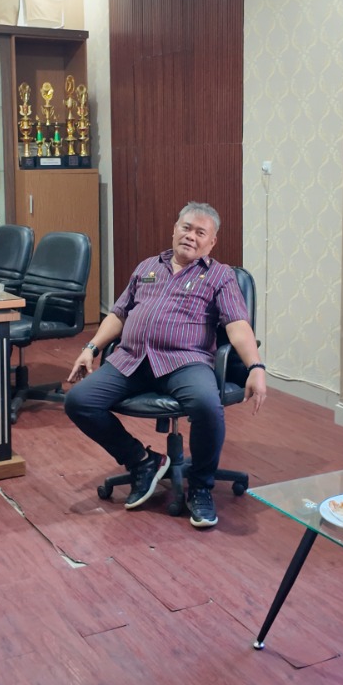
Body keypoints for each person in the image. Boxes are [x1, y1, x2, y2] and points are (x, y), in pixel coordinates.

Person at [64, 202, 266, 529]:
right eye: (186, 228)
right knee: (78, 401)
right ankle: (142, 461)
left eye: (200, 232)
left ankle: (200, 487)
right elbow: (119, 314)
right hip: (132, 358)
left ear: (211, 242)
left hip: (185, 361)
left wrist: (256, 367)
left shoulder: (219, 275)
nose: (191, 236)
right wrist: (91, 348)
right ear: (175, 230)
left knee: (206, 405)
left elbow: (237, 325)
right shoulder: (147, 266)